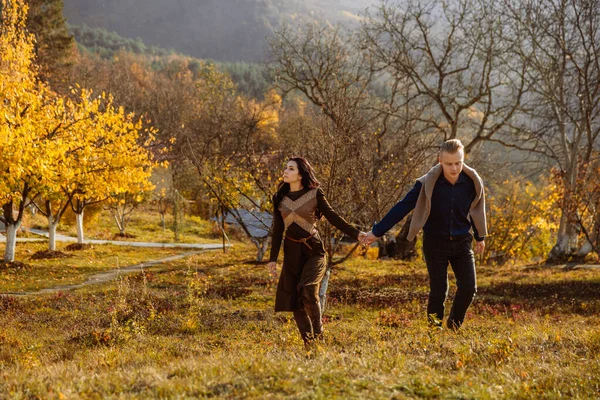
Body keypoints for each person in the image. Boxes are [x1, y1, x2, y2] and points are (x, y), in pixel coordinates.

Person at [361, 139, 487, 330]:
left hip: (462, 242)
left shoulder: (472, 182)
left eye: (458, 163)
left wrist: (480, 237)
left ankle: (453, 326)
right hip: (435, 243)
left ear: (463, 159)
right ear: (440, 161)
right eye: (449, 163)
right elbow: (402, 207)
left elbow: (478, 209)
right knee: (439, 290)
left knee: (469, 288)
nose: (454, 168)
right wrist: (376, 232)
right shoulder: (426, 184)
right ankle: (434, 330)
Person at [268, 157, 364, 346]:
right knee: (295, 299)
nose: (285, 172)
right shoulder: (279, 198)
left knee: (309, 288)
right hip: (291, 252)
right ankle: (310, 344)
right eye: (286, 168)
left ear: (301, 174)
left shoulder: (314, 194)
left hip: (314, 250)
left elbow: (333, 217)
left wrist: (357, 234)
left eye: (291, 169)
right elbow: (278, 230)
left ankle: (318, 332)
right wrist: (272, 259)